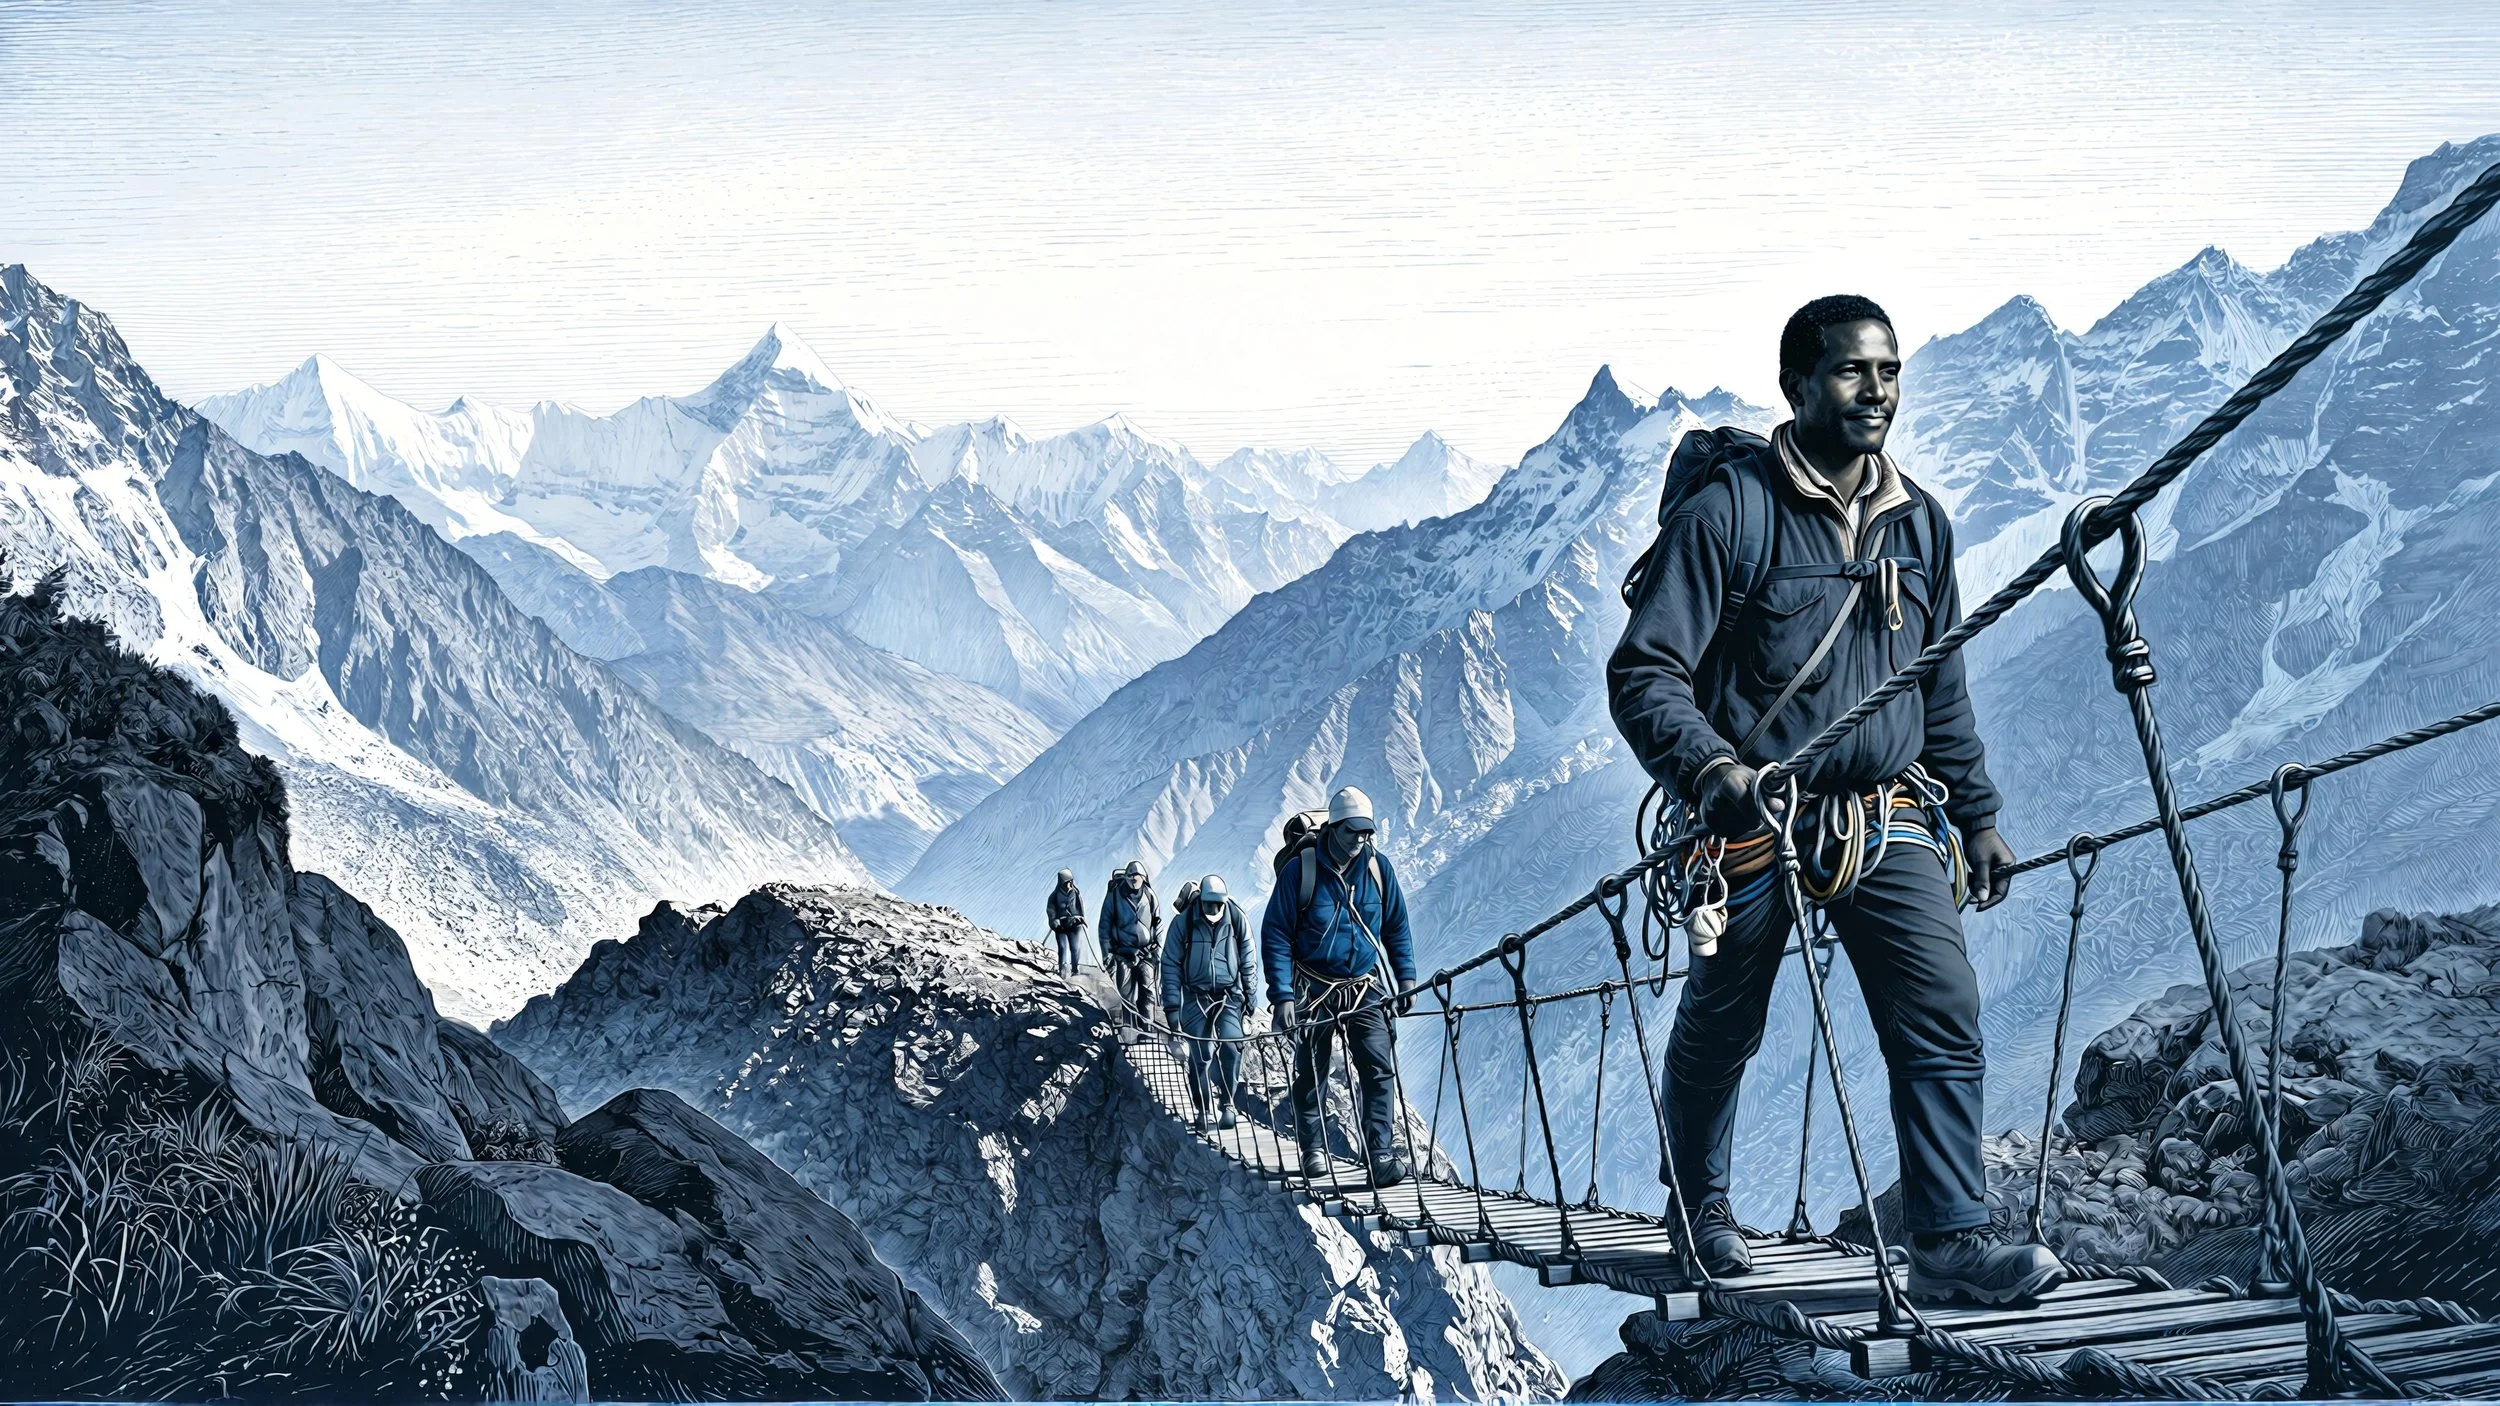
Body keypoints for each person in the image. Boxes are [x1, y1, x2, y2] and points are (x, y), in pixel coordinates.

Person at [1606, 295, 2051, 1306]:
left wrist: (1975, 814)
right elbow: (1646, 672)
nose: (1876, 391)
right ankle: (1699, 1208)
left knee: (1940, 1005)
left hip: (1879, 812)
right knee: (1726, 1016)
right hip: (1747, 819)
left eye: (1889, 371)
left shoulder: (1919, 523)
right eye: (1852, 372)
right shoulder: (1731, 513)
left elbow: (1938, 684)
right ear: (1796, 385)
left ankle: (1947, 1240)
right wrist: (1712, 773)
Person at [1261, 786, 1417, 1187]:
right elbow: (1276, 933)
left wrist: (1407, 979)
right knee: (1313, 1070)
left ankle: (1379, 1154)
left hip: (1364, 985)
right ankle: (1313, 1149)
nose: (1360, 840)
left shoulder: (1379, 869)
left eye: (1367, 832)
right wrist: (1281, 996)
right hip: (1314, 988)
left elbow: (1396, 926)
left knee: (1378, 1066)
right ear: (1333, 827)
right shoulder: (1303, 871)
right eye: (1353, 832)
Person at [1160, 873, 1257, 1130]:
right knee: (1201, 1055)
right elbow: (1170, 965)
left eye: (1218, 904)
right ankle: (1203, 1109)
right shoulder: (1183, 924)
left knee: (1232, 1046)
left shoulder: (1236, 919)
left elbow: (1248, 957)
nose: (1213, 909)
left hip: (1229, 995)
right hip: (1195, 996)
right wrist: (1172, 1010)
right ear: (1200, 899)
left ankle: (1227, 1103)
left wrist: (1250, 997)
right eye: (1208, 903)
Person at [1098, 860, 1160, 1028]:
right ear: (1125, 876)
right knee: (1126, 994)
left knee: (1149, 992)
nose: (1134, 879)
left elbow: (1157, 923)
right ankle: (1130, 1031)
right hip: (1122, 954)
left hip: (1146, 953)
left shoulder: (1150, 895)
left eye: (1137, 875)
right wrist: (1107, 954)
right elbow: (1104, 926)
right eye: (1131, 875)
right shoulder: (1114, 895)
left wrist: (1157, 950)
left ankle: (1147, 1029)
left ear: (1143, 877)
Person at [1045, 869, 1087, 975]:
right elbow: (1051, 910)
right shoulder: (1054, 895)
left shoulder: (1076, 893)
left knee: (1075, 948)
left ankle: (1074, 971)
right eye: (1067, 881)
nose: (1069, 884)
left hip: (1074, 924)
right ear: (1061, 882)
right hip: (1061, 926)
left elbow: (1080, 908)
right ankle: (1062, 972)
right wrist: (1054, 920)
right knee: (1062, 948)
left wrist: (1080, 918)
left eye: (1070, 881)